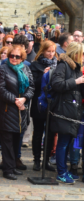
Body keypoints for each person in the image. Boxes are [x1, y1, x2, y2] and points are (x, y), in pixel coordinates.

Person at [0, 44, 34, 180]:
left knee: (16, 141)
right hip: (7, 110)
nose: (14, 58)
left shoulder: (26, 68)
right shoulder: (3, 69)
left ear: (22, 57)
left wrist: (24, 98)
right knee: (7, 141)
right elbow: (0, 90)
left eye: (17, 56)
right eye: (11, 56)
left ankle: (12, 166)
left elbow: (31, 87)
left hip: (21, 111)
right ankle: (7, 169)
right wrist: (16, 100)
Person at [50, 42, 84, 184]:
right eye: (82, 54)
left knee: (68, 141)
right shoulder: (63, 65)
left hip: (73, 111)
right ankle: (61, 172)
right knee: (63, 143)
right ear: (76, 54)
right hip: (63, 110)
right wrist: (76, 81)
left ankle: (65, 170)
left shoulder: (76, 68)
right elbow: (56, 84)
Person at [30, 40, 58, 172]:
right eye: (48, 51)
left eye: (53, 51)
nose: (51, 54)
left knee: (51, 133)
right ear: (43, 51)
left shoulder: (57, 64)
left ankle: (46, 160)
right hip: (39, 103)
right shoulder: (35, 65)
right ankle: (36, 160)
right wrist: (43, 75)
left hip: (53, 104)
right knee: (38, 132)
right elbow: (32, 84)